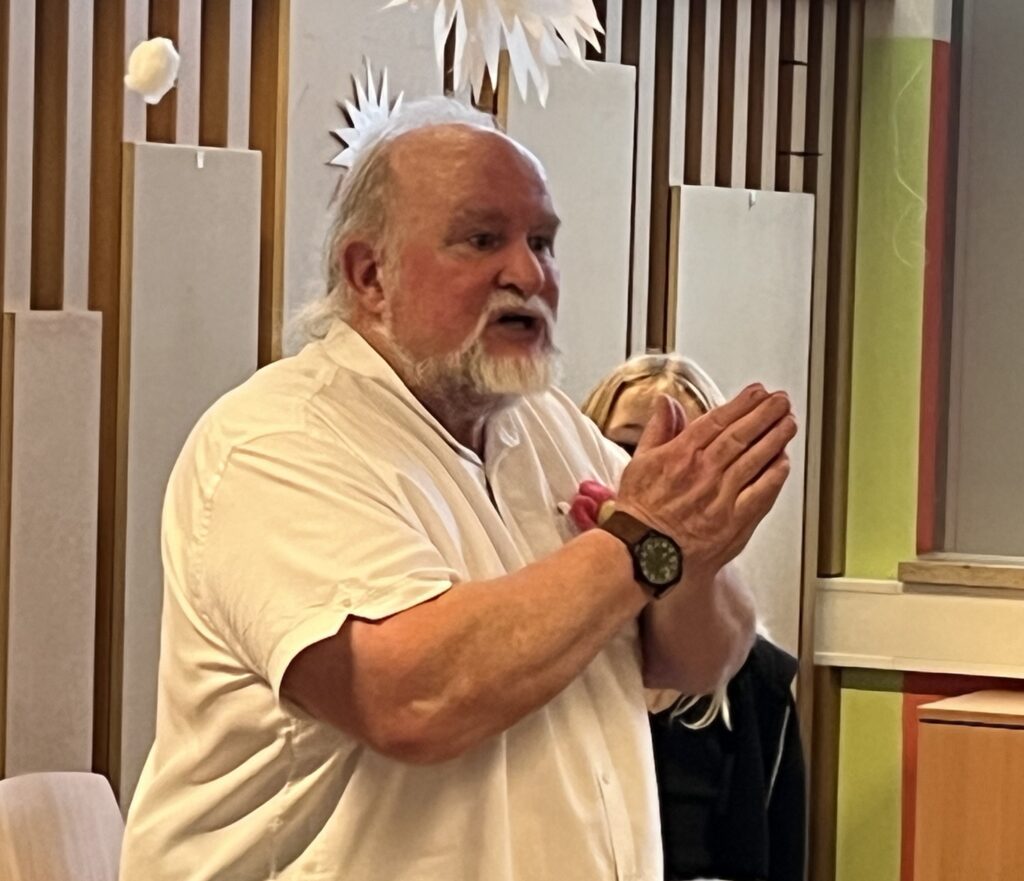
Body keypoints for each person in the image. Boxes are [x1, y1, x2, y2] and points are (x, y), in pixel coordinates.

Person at [119, 96, 796, 881]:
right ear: (370, 275)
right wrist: (643, 545)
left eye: (542, 242)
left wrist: (692, 553)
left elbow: (704, 659)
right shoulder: (275, 442)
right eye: (482, 240)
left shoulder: (552, 427)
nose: (528, 273)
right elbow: (412, 699)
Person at [581, 353, 807, 881]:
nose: (654, 474)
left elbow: (780, 851)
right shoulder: (549, 648)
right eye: (626, 448)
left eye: (686, 456)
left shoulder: (758, 679)